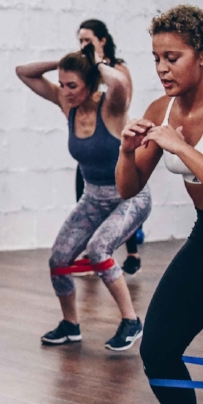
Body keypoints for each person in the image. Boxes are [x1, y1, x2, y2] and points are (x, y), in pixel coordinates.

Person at [117, 5, 203, 404]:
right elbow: (129, 188)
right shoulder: (163, 110)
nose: (161, 69)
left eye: (172, 57)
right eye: (156, 58)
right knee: (157, 345)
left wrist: (183, 148)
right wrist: (125, 148)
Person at [16, 46, 150, 350]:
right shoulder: (67, 104)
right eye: (62, 84)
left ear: (90, 82)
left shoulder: (112, 106)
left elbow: (120, 83)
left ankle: (131, 321)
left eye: (72, 85)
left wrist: (94, 63)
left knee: (98, 249)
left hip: (130, 196)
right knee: (59, 258)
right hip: (93, 198)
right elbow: (23, 72)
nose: (65, 91)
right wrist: (63, 61)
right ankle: (70, 325)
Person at [74, 19, 144, 275]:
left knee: (124, 197)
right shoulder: (86, 70)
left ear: (102, 40)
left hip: (114, 141)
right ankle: (87, 252)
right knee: (85, 194)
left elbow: (124, 101)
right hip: (92, 141)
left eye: (87, 40)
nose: (82, 45)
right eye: (80, 40)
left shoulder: (118, 68)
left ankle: (132, 252)